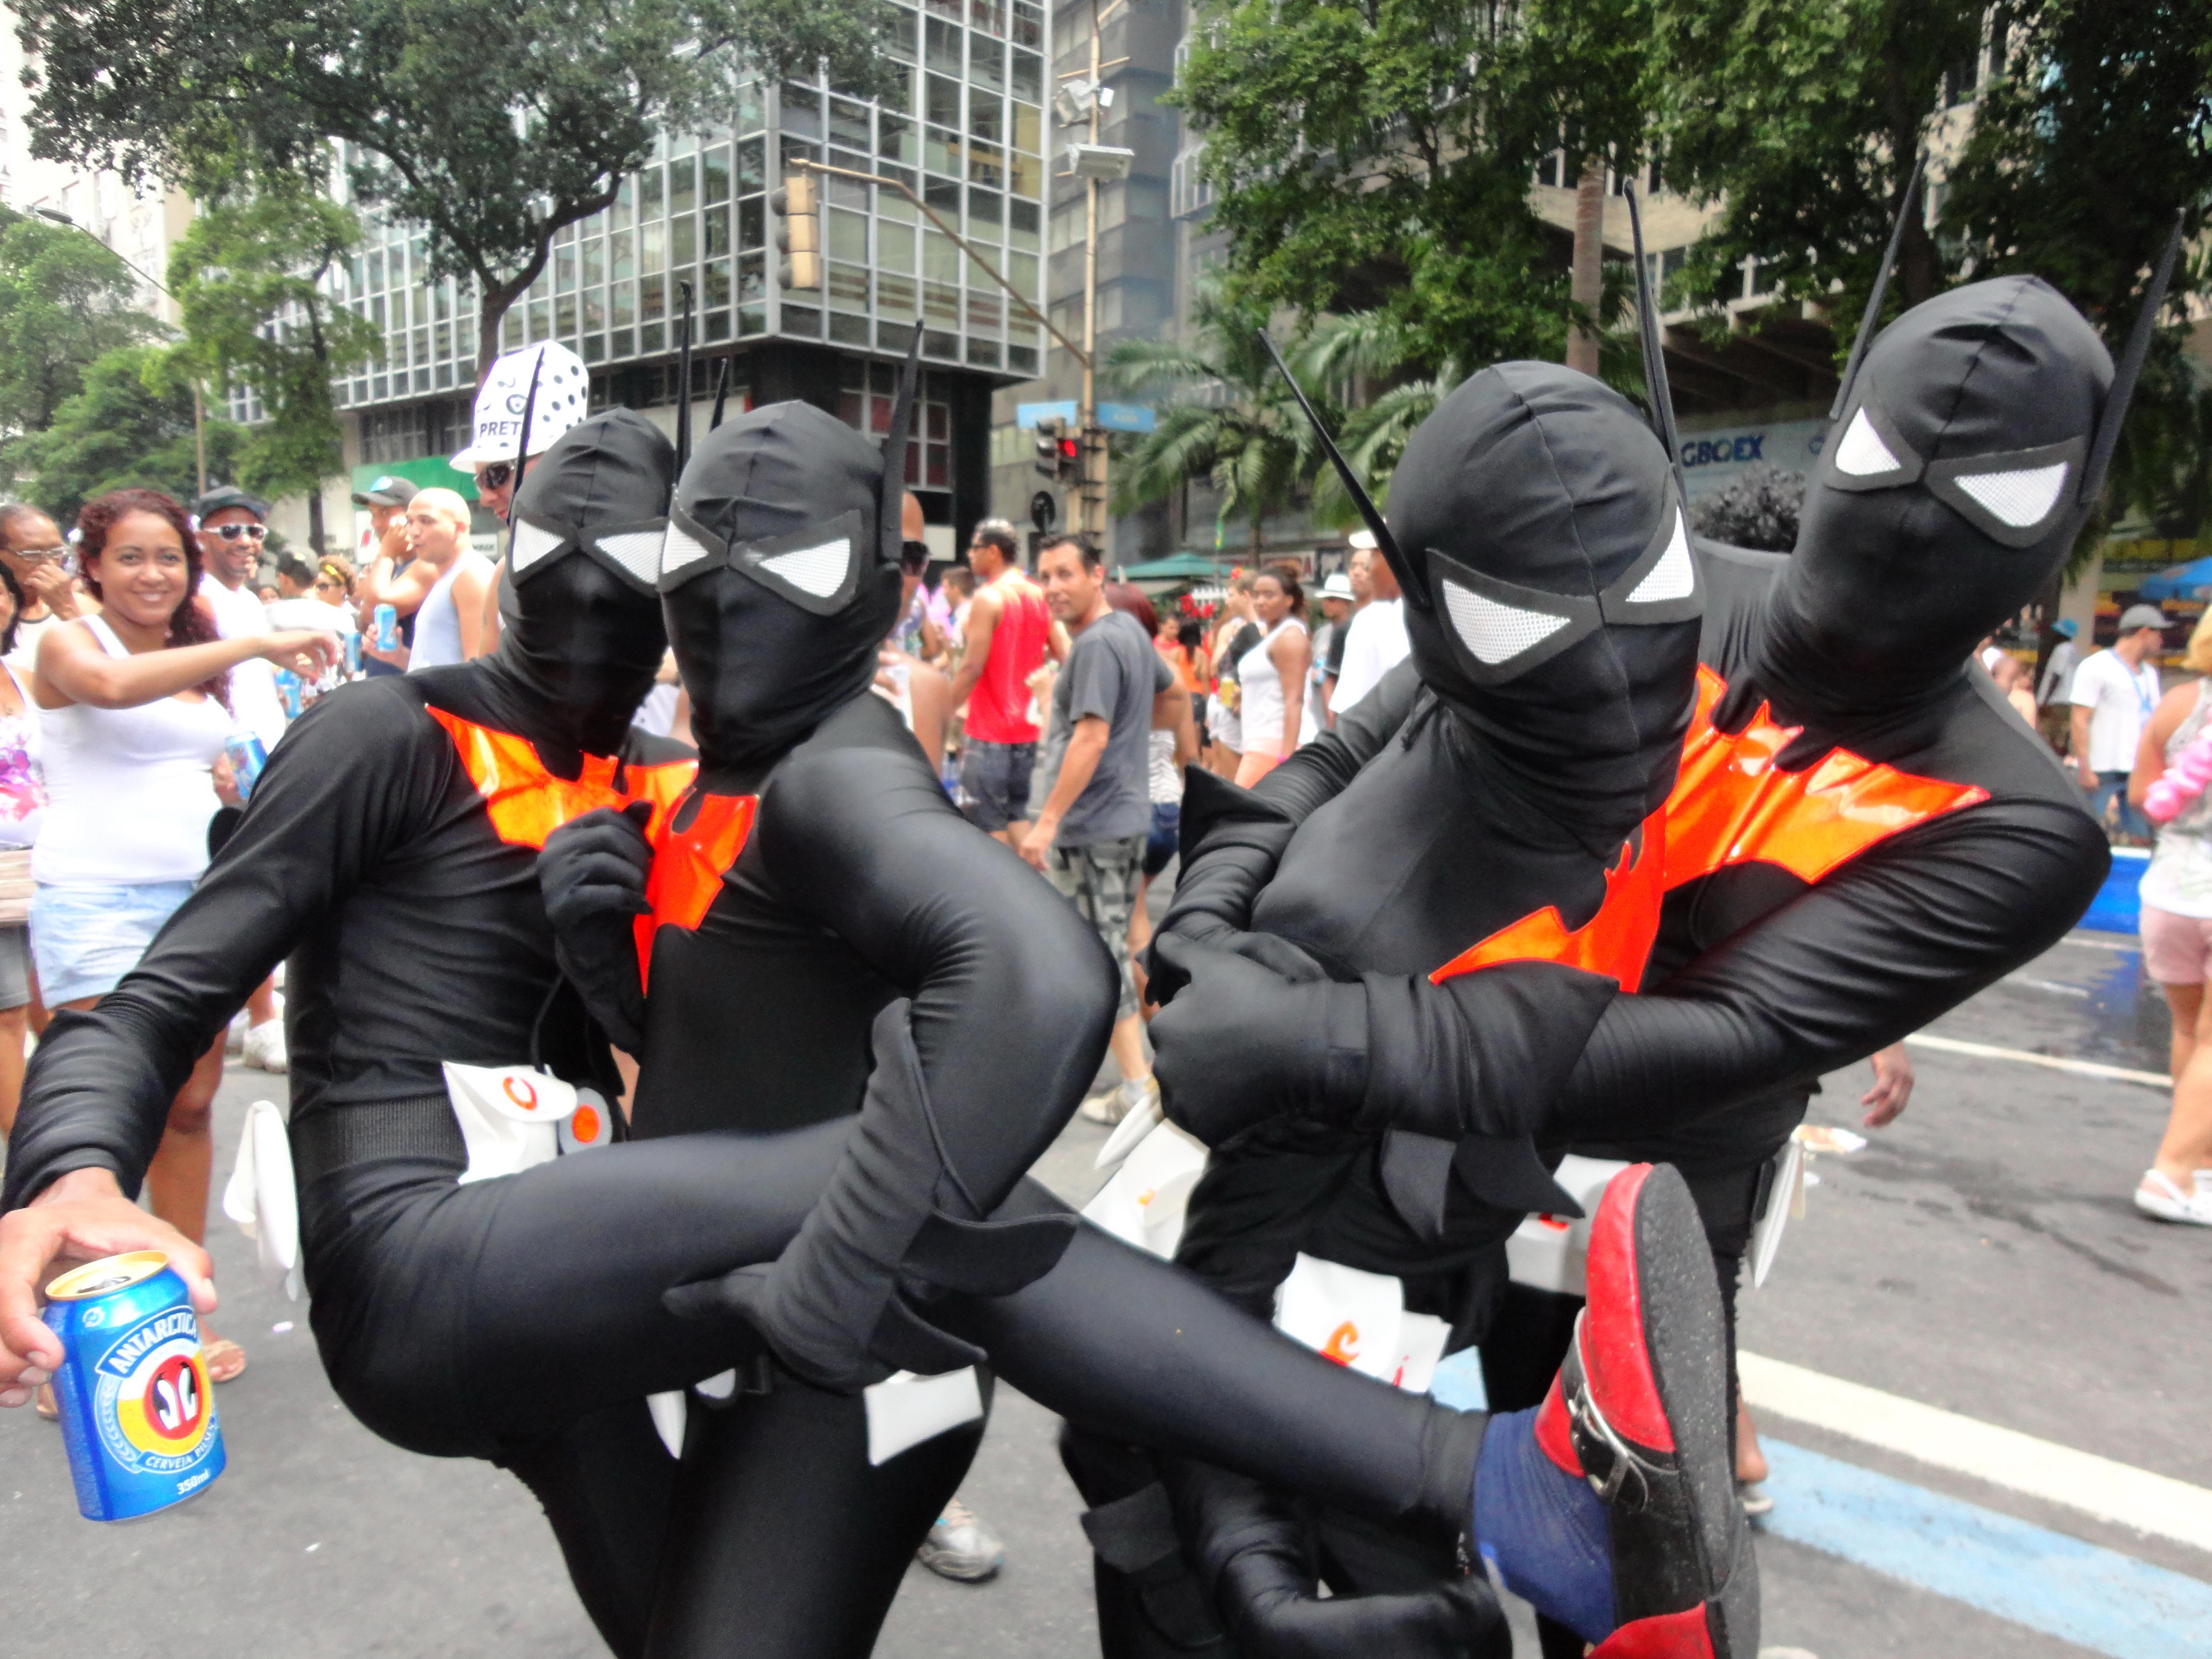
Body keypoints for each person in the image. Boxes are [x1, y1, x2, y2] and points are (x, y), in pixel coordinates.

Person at [534, 377, 1749, 1659]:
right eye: (695, 552)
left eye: (791, 557)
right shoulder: (675, 792)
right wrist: (1210, 922)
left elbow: (1047, 994)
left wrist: (1302, 1019)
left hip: (863, 1336)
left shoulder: (838, 786)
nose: (731, 598)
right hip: (752, 1295)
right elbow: (724, 1051)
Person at [0, 419, 700, 1655]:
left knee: (696, 1592)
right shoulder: (389, 736)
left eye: (629, 579)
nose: (590, 609)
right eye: (557, 571)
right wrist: (68, 1166)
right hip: (417, 1240)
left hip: (589, 1224)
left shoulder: (670, 776)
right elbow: (168, 991)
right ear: (508, 567)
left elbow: (724, 1066)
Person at [23, 486, 336, 1400]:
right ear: (92, 565)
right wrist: (256, 641)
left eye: (168, 556)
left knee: (193, 1104)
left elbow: (209, 753)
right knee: (101, 1118)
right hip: (95, 902)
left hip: (197, 900)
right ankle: (61, 1337)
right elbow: (111, 691)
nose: (152, 574)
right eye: (130, 556)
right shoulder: (68, 644)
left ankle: (172, 1321)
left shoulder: (192, 655)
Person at [1021, 535, 1176, 1128]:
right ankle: (1149, 1069)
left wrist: (1049, 822)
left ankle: (1137, 1085)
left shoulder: (1097, 645)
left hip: (1094, 825)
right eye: (1045, 575)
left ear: (1096, 575)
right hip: (1119, 815)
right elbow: (1172, 693)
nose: (1054, 585)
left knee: (1101, 949)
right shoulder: (1128, 635)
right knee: (1115, 939)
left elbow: (1091, 736)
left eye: (1065, 573)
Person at [2127, 608, 2212, 1225]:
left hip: (2169, 892)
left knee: (2190, 1033)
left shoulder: (2177, 704)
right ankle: (2173, 1171)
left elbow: (2141, 798)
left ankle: (2198, 1158)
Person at [1105, 583, 1198, 984]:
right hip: (1166, 810)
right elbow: (1190, 756)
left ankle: (1149, 1018)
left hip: (1129, 808)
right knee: (1134, 913)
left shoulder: (1111, 669)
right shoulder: (1171, 673)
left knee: (1128, 922)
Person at [946, 517, 1055, 844]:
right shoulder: (1039, 595)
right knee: (1016, 814)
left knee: (988, 824)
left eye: (975, 548)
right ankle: (1032, 889)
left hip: (989, 729)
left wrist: (943, 710)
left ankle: (1004, 893)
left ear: (993, 551)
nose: (970, 555)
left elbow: (971, 668)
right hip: (1026, 730)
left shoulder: (989, 598)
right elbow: (1063, 651)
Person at [192, 486, 290, 753]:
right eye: (230, 532)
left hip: (266, 753)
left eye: (255, 531)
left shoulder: (249, 600)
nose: (245, 541)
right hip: (227, 760)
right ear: (201, 539)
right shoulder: (197, 598)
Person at [0, 565, 44, 1142]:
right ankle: (23, 1169)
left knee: (61, 1015)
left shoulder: (27, 675)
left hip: (48, 865)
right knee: (6, 1015)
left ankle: (58, 1147)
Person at [365, 487, 493, 672]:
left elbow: (479, 673)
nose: (414, 532)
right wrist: (398, 655)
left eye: (426, 521)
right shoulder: (449, 576)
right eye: (410, 521)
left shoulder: (472, 575)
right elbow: (434, 665)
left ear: (459, 528)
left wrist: (386, 553)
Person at [2071, 603, 2168, 841]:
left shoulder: (2149, 674)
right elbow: (2079, 719)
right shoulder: (2096, 667)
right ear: (2145, 632)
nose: (2162, 641)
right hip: (2102, 767)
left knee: (2142, 834)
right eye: (2159, 633)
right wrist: (2085, 767)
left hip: (2138, 767)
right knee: (2087, 831)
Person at [1231, 564, 1311, 786]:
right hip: (1258, 743)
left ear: (1289, 600)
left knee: (1239, 816)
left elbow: (1295, 700)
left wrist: (1286, 759)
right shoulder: (1274, 635)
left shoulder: (1290, 637)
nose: (1260, 602)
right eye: (1256, 595)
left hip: (1274, 746)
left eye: (1269, 595)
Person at [1328, 531, 1408, 716]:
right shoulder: (1445, 609)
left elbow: (1348, 709)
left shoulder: (1370, 621)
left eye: (1373, 558)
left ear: (1394, 560)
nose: (1368, 570)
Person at [0, 503, 87, 665]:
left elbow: (109, 669)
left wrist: (67, 610)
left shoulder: (80, 605)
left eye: (56, 552)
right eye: (32, 554)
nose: (49, 564)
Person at [350, 477, 419, 680]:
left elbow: (373, 609)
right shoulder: (390, 567)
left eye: (386, 513)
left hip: (412, 693)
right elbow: (365, 618)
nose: (376, 523)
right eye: (373, 514)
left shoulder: (427, 564)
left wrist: (386, 552)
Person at [1203, 572, 1260, 777]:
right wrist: (1221, 705)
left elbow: (1226, 670)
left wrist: (1232, 703)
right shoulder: (1236, 628)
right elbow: (1219, 669)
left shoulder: (1256, 630)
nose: (1227, 602)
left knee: (1231, 776)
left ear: (1245, 596)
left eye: (1231, 595)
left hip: (1241, 709)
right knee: (1220, 768)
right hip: (1227, 703)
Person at [1311, 569, 1354, 733]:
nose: (1326, 604)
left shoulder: (1354, 632)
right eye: (1325, 599)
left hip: (1341, 717)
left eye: (1332, 600)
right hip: (1317, 714)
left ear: (1347, 603)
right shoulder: (1321, 633)